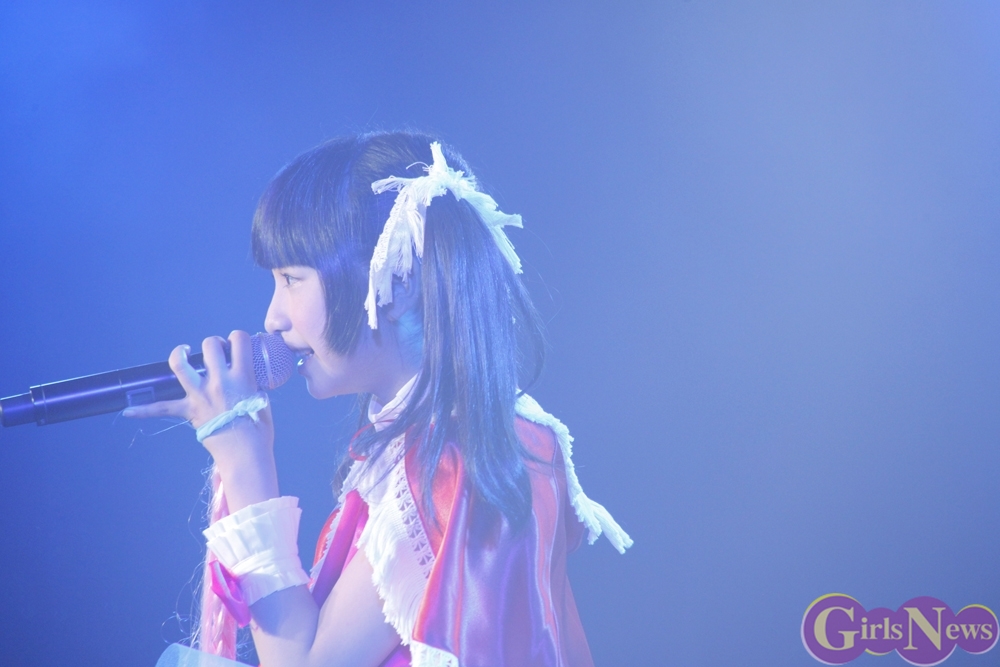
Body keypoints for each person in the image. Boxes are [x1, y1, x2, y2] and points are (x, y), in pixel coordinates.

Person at [125, 131, 632, 667]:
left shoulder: (454, 461)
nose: (272, 319)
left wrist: (245, 465)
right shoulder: (444, 445)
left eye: (292, 279)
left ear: (399, 280)